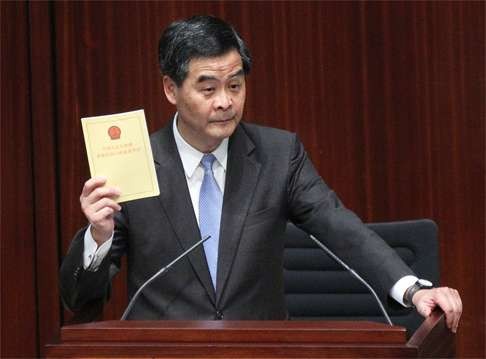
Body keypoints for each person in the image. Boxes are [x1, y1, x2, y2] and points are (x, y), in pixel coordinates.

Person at [60, 15, 462, 331]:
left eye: (235, 86)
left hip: (262, 349)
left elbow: (340, 227)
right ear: (171, 89)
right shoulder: (132, 160)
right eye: (208, 88)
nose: (225, 102)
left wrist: (411, 289)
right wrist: (98, 236)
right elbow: (79, 298)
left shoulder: (278, 154)